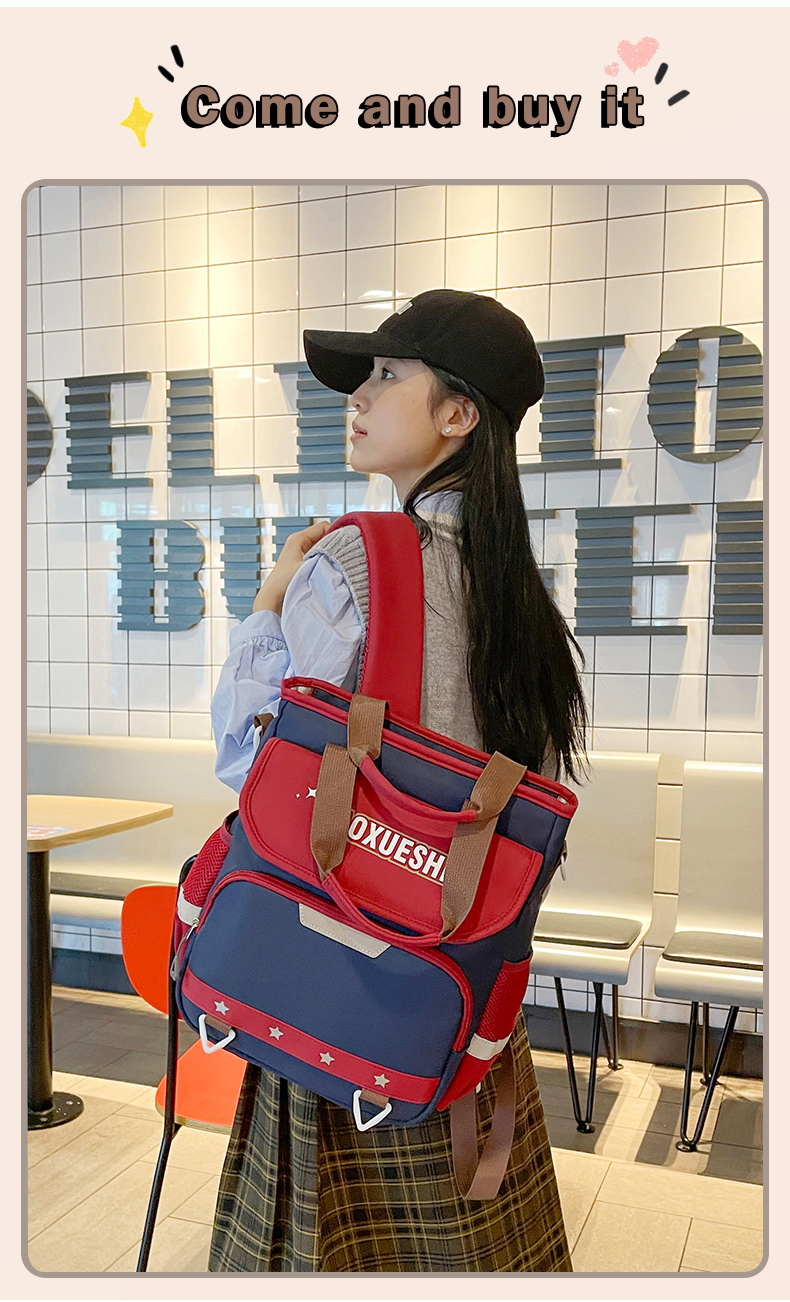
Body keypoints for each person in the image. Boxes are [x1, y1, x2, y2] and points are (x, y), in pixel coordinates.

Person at [208, 289, 587, 1273]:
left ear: (458, 415)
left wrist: (268, 601)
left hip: (334, 978)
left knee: (331, 1251)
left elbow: (253, 765)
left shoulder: (351, 562)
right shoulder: (524, 599)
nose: (359, 396)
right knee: (469, 1250)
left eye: (386, 374)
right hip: (454, 997)